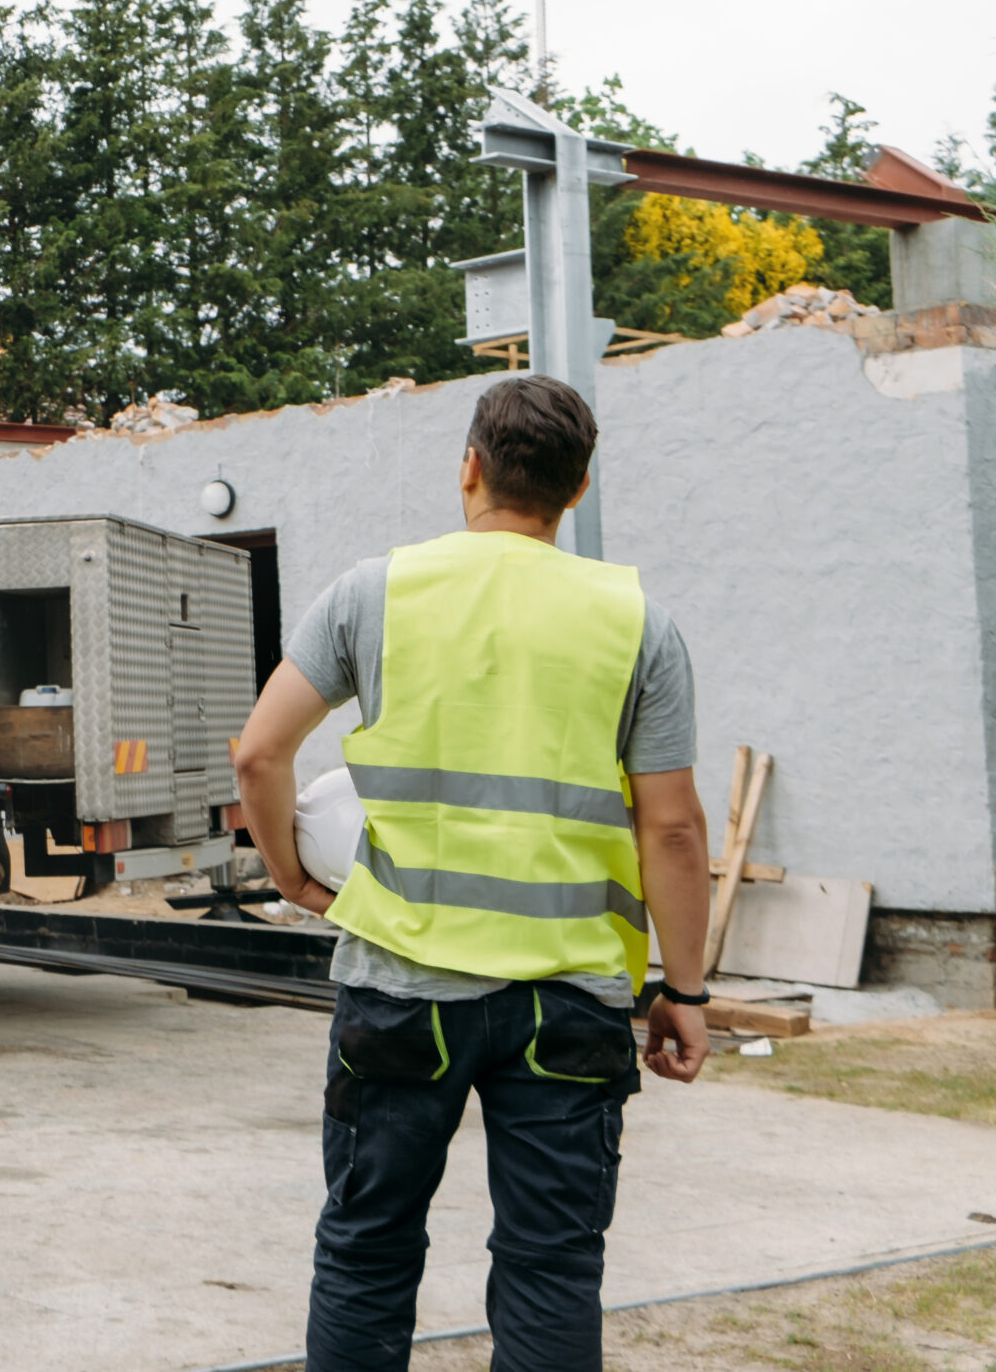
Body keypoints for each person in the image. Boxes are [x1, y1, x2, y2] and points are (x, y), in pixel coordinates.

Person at [232, 374, 713, 1372]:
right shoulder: (637, 624)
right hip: (567, 1000)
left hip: (400, 988)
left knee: (366, 1249)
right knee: (549, 1267)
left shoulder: (374, 593)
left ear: (469, 469)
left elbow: (258, 755)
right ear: (576, 490)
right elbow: (671, 829)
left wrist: (291, 876)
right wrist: (685, 988)